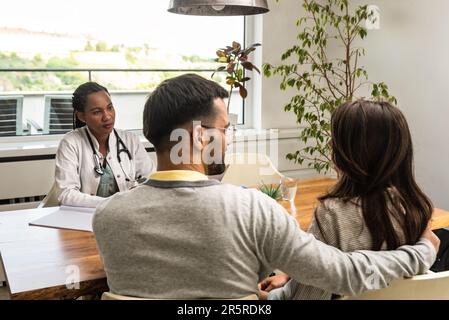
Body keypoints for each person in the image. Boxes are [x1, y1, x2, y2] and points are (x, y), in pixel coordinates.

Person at [92, 74, 439, 299]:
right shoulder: (254, 209)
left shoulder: (107, 216)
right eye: (225, 129)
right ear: (199, 136)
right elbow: (343, 274)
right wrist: (422, 252)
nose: (228, 139)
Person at [260, 100, 435, 300]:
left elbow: (306, 298)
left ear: (351, 152)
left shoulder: (333, 214)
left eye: (336, 140)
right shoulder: (415, 208)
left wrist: (260, 298)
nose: (330, 146)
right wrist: (293, 275)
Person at [54, 82, 154, 208]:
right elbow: (66, 194)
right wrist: (111, 204)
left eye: (110, 108)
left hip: (126, 215)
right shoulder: (70, 143)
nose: (107, 116)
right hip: (85, 218)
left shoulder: (130, 140)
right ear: (81, 116)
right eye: (97, 112)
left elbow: (151, 181)